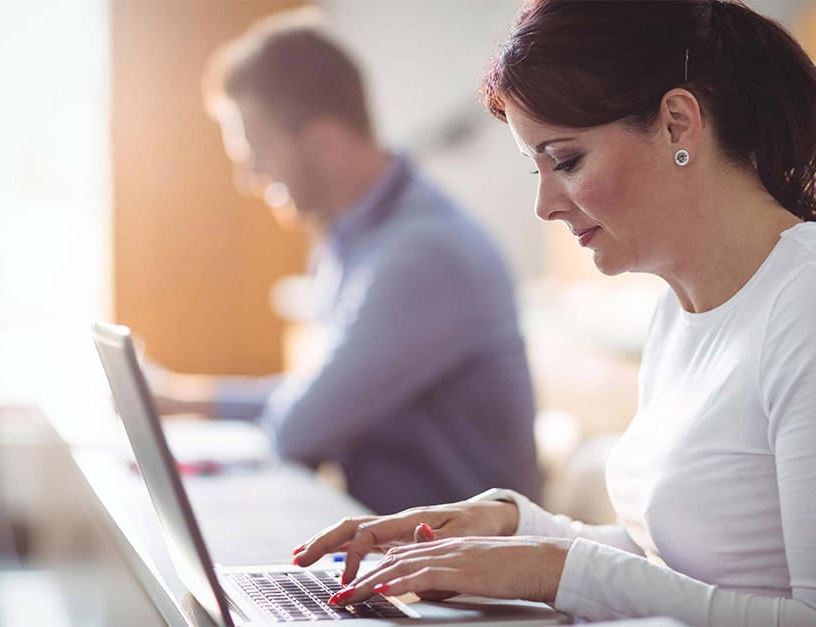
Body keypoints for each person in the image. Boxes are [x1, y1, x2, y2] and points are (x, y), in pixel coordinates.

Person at [290, 1, 816, 624]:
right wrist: (511, 524)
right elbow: (681, 565)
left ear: (678, 124)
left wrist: (551, 570)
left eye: (565, 160)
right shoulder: (680, 309)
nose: (544, 204)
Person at [149, 8, 543, 515]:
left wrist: (193, 403)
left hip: (462, 578)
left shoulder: (424, 255)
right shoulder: (349, 236)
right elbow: (323, 392)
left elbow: (299, 429)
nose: (251, 177)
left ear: (323, 143)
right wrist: (185, 400)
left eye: (257, 152)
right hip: (392, 548)